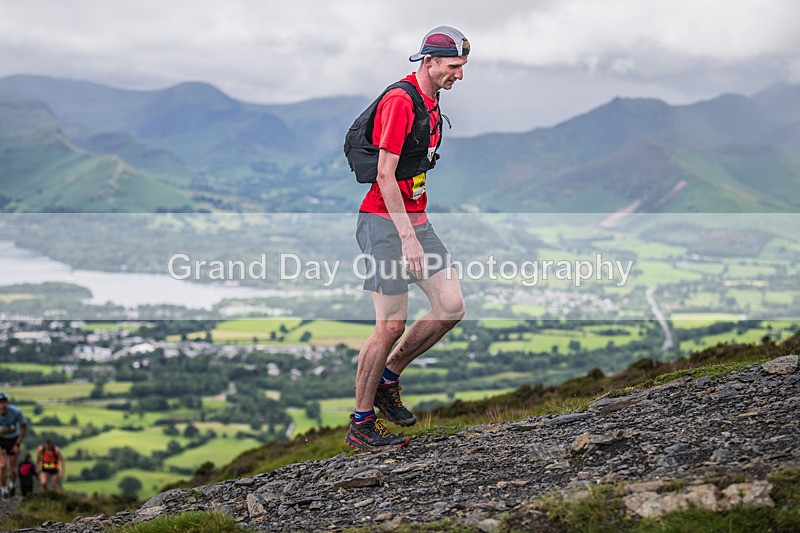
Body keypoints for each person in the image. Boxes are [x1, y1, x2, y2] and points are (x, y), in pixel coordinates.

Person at [345, 26, 469, 451]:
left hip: (415, 221)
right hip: (384, 224)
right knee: (390, 324)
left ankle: (388, 378)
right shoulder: (401, 100)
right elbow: (384, 174)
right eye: (454, 67)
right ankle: (361, 422)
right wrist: (407, 238)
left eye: (462, 67)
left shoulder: (433, 101)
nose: (459, 75)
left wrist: (416, 231)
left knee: (451, 306)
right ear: (429, 62)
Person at [0, 392, 27, 498]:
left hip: (13, 440)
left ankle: (12, 484)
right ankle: (3, 489)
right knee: (2, 466)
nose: (2, 405)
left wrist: (17, 444)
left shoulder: (16, 412)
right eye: (0, 403)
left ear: (8, 403)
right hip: (0, 439)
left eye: (4, 403)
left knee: (12, 469)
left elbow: (24, 427)